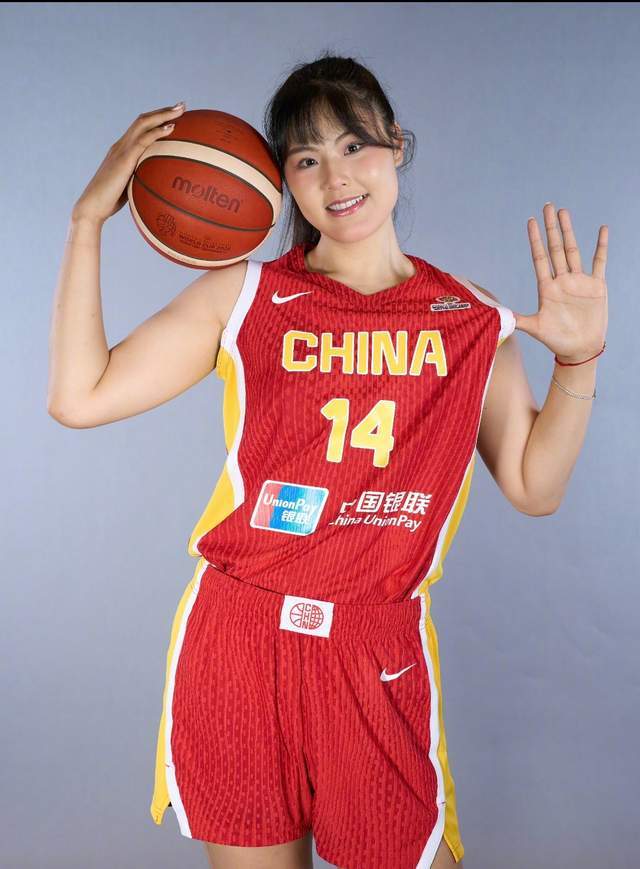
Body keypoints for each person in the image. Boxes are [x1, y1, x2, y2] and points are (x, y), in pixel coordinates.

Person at [47, 51, 607, 869]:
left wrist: (578, 362)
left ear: (396, 146)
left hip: (373, 648)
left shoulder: (466, 316)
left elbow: (534, 485)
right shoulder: (245, 296)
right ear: (284, 181)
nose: (336, 176)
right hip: (239, 641)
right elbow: (80, 394)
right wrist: (86, 222)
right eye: (307, 158)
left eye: (354, 146)